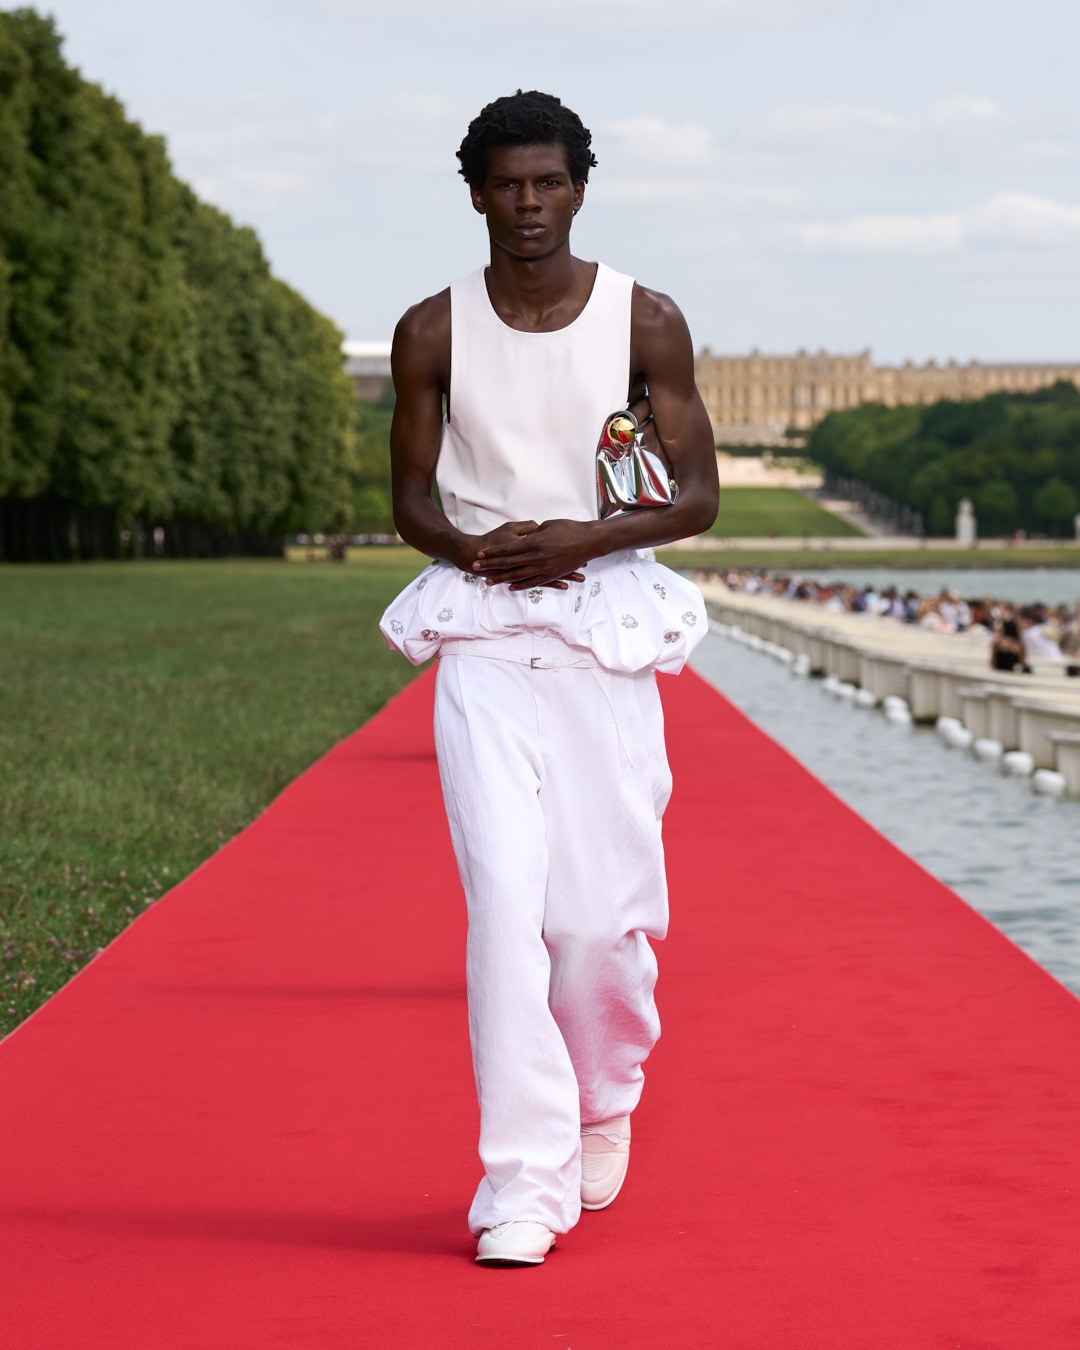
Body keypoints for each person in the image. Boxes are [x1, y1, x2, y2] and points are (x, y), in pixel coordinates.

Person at [379, 90, 719, 1267]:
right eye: (507, 185)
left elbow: (696, 496)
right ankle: (521, 1183)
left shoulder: (646, 319)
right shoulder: (430, 329)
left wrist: (589, 536)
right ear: (475, 193)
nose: (528, 205)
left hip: (601, 632)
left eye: (549, 183)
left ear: (579, 188)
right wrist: (471, 548)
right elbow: (409, 499)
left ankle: (604, 1094)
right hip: (483, 639)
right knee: (503, 917)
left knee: (597, 927)